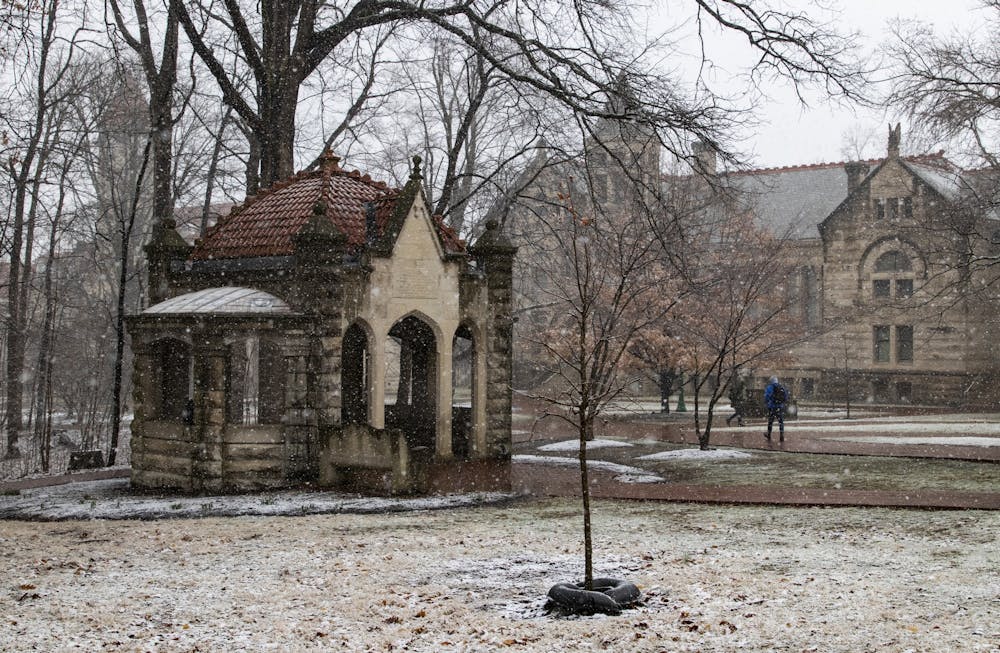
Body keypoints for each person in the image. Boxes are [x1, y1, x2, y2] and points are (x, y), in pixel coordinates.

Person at [764, 376, 788, 442]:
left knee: (770, 421)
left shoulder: (769, 387)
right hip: (779, 407)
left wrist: (767, 402)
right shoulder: (781, 387)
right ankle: (781, 435)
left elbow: (766, 397)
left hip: (772, 407)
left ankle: (768, 434)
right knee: (781, 422)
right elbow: (785, 397)